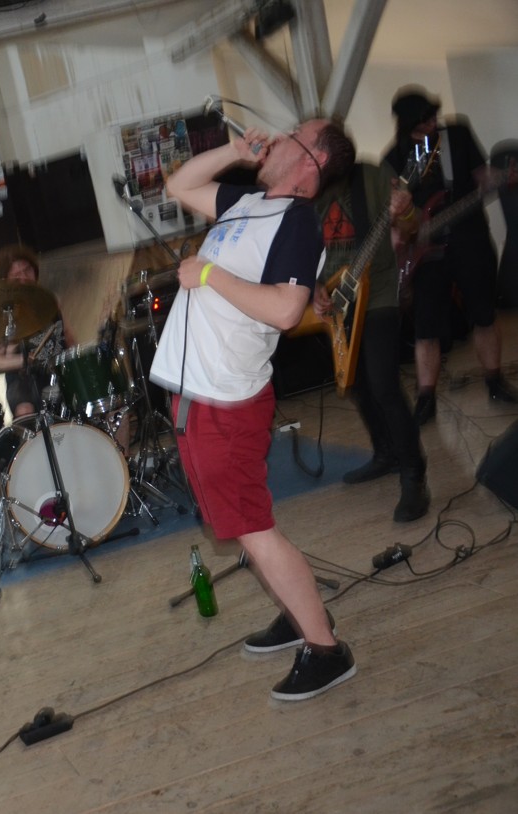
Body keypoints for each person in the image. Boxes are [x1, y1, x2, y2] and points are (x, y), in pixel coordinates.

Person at [152, 118, 358, 701]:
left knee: (251, 526)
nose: (279, 136)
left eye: (295, 134)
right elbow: (178, 186)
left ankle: (326, 649)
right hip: (200, 392)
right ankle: (300, 612)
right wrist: (233, 151)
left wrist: (210, 274)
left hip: (227, 400)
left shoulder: (297, 223)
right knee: (241, 522)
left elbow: (288, 310)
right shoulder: (247, 203)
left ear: (313, 160)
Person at [382, 86, 516, 425]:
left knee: (484, 315)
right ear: (407, 125)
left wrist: (500, 178)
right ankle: (426, 398)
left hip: (470, 240)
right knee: (426, 327)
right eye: (423, 122)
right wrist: (408, 232)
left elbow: (482, 177)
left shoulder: (456, 134)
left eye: (432, 118)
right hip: (424, 255)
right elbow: (392, 214)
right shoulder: (394, 157)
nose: (432, 125)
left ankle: (495, 382)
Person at [311, 160, 430, 522]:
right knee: (356, 384)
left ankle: (414, 474)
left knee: (384, 385)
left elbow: (412, 227)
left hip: (377, 291)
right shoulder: (310, 188)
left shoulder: (373, 177)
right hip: (337, 298)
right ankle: (385, 454)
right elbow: (305, 247)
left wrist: (404, 211)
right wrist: (314, 286)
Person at [0, 244, 75, 421]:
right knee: (25, 409)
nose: (24, 277)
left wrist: (79, 362)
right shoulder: (4, 314)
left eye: (27, 270)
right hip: (24, 379)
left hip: (58, 371)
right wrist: (26, 360)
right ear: (6, 281)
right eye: (16, 275)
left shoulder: (50, 301)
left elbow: (68, 337)